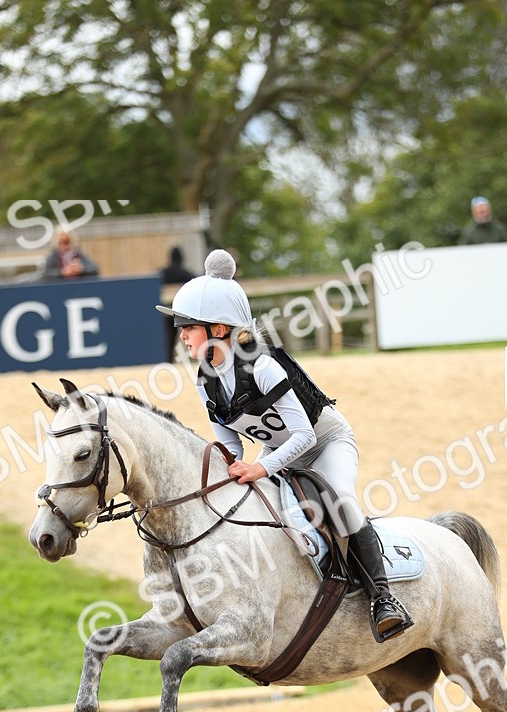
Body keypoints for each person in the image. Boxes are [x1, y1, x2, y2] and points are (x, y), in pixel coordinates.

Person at [155, 249, 413, 642]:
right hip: (278, 454)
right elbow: (231, 445)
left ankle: (383, 598)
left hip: (324, 441)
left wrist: (260, 468)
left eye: (189, 326)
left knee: (339, 499)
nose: (182, 335)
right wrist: (223, 471)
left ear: (219, 330)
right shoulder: (204, 378)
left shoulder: (261, 365)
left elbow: (305, 436)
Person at [160, 245, 194, 361]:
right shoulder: (185, 273)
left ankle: (169, 360)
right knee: (191, 333)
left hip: (167, 310)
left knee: (170, 336)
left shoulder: (163, 273)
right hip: (183, 311)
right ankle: (194, 357)